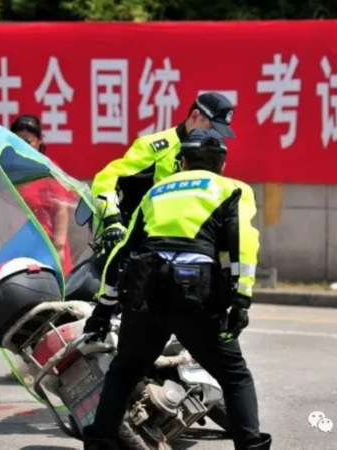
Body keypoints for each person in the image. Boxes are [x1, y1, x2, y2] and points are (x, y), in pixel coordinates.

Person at [81, 128, 271, 450]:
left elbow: (123, 252)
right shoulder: (232, 189)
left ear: (182, 161)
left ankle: (100, 442)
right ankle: (249, 446)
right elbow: (244, 244)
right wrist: (241, 301)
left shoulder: (157, 192)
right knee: (233, 375)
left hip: (146, 298)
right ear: (222, 165)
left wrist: (103, 310)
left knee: (124, 372)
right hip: (197, 300)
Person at [90, 92, 236, 256]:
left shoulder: (213, 153)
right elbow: (108, 178)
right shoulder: (154, 147)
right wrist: (112, 222)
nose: (215, 136)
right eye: (212, 128)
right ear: (195, 115)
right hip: (140, 248)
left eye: (219, 132)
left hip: (190, 250)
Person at [9, 114, 74, 275]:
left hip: (49, 249)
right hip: (21, 250)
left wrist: (59, 248)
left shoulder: (47, 170)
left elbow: (61, 209)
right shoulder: (8, 172)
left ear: (39, 142)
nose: (22, 146)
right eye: (18, 141)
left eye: (28, 141)